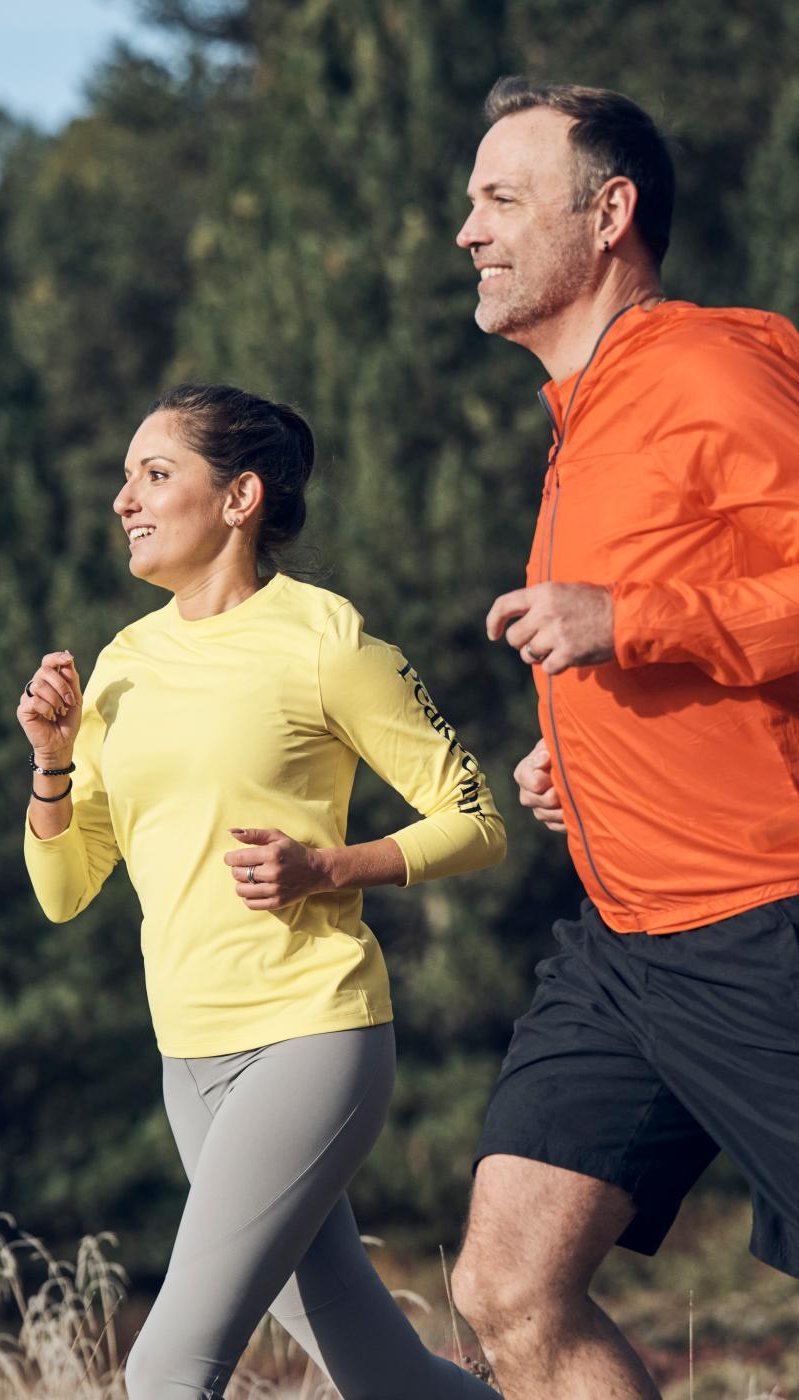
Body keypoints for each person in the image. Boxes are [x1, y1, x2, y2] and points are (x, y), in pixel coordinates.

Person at [17, 383, 506, 1400]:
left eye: (155, 473)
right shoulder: (123, 662)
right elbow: (66, 887)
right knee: (378, 1369)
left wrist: (332, 864)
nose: (123, 499)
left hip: (309, 1034)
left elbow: (474, 817)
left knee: (164, 1368)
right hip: (186, 1056)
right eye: (124, 477)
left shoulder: (324, 640)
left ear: (237, 497)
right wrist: (52, 762)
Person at [450, 76, 799, 1400]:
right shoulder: (581, 417)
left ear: (610, 213)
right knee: (507, 1285)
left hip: (763, 922)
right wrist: (579, 750)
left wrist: (629, 620)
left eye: (500, 199)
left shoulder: (708, 367)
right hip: (624, 944)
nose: (468, 232)